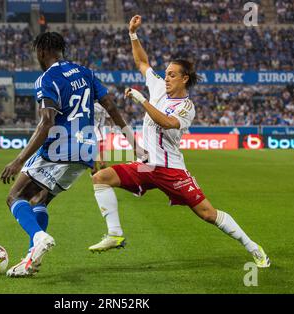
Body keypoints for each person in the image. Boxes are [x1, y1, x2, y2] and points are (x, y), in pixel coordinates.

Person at [88, 15, 270, 268]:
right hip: (147, 165)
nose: (166, 78)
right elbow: (142, 61)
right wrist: (132, 34)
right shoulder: (159, 88)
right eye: (166, 74)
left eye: (172, 75)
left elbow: (168, 123)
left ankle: (254, 248)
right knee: (100, 178)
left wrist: (142, 100)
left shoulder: (186, 106)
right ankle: (115, 234)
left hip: (172, 171)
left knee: (208, 214)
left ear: (184, 79)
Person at [0, 32, 141, 277]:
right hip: (85, 151)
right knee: (40, 200)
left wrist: (18, 160)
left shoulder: (47, 79)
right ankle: (32, 259)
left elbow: (46, 122)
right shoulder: (86, 73)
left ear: (42, 51)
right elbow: (111, 107)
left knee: (15, 196)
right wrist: (134, 144)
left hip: (59, 148)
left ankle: (38, 238)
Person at [91, 102, 111, 175]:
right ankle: (101, 166)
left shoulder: (89, 104)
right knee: (102, 159)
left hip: (90, 131)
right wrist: (112, 126)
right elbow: (109, 117)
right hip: (99, 131)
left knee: (92, 151)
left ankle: (94, 169)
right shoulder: (102, 105)